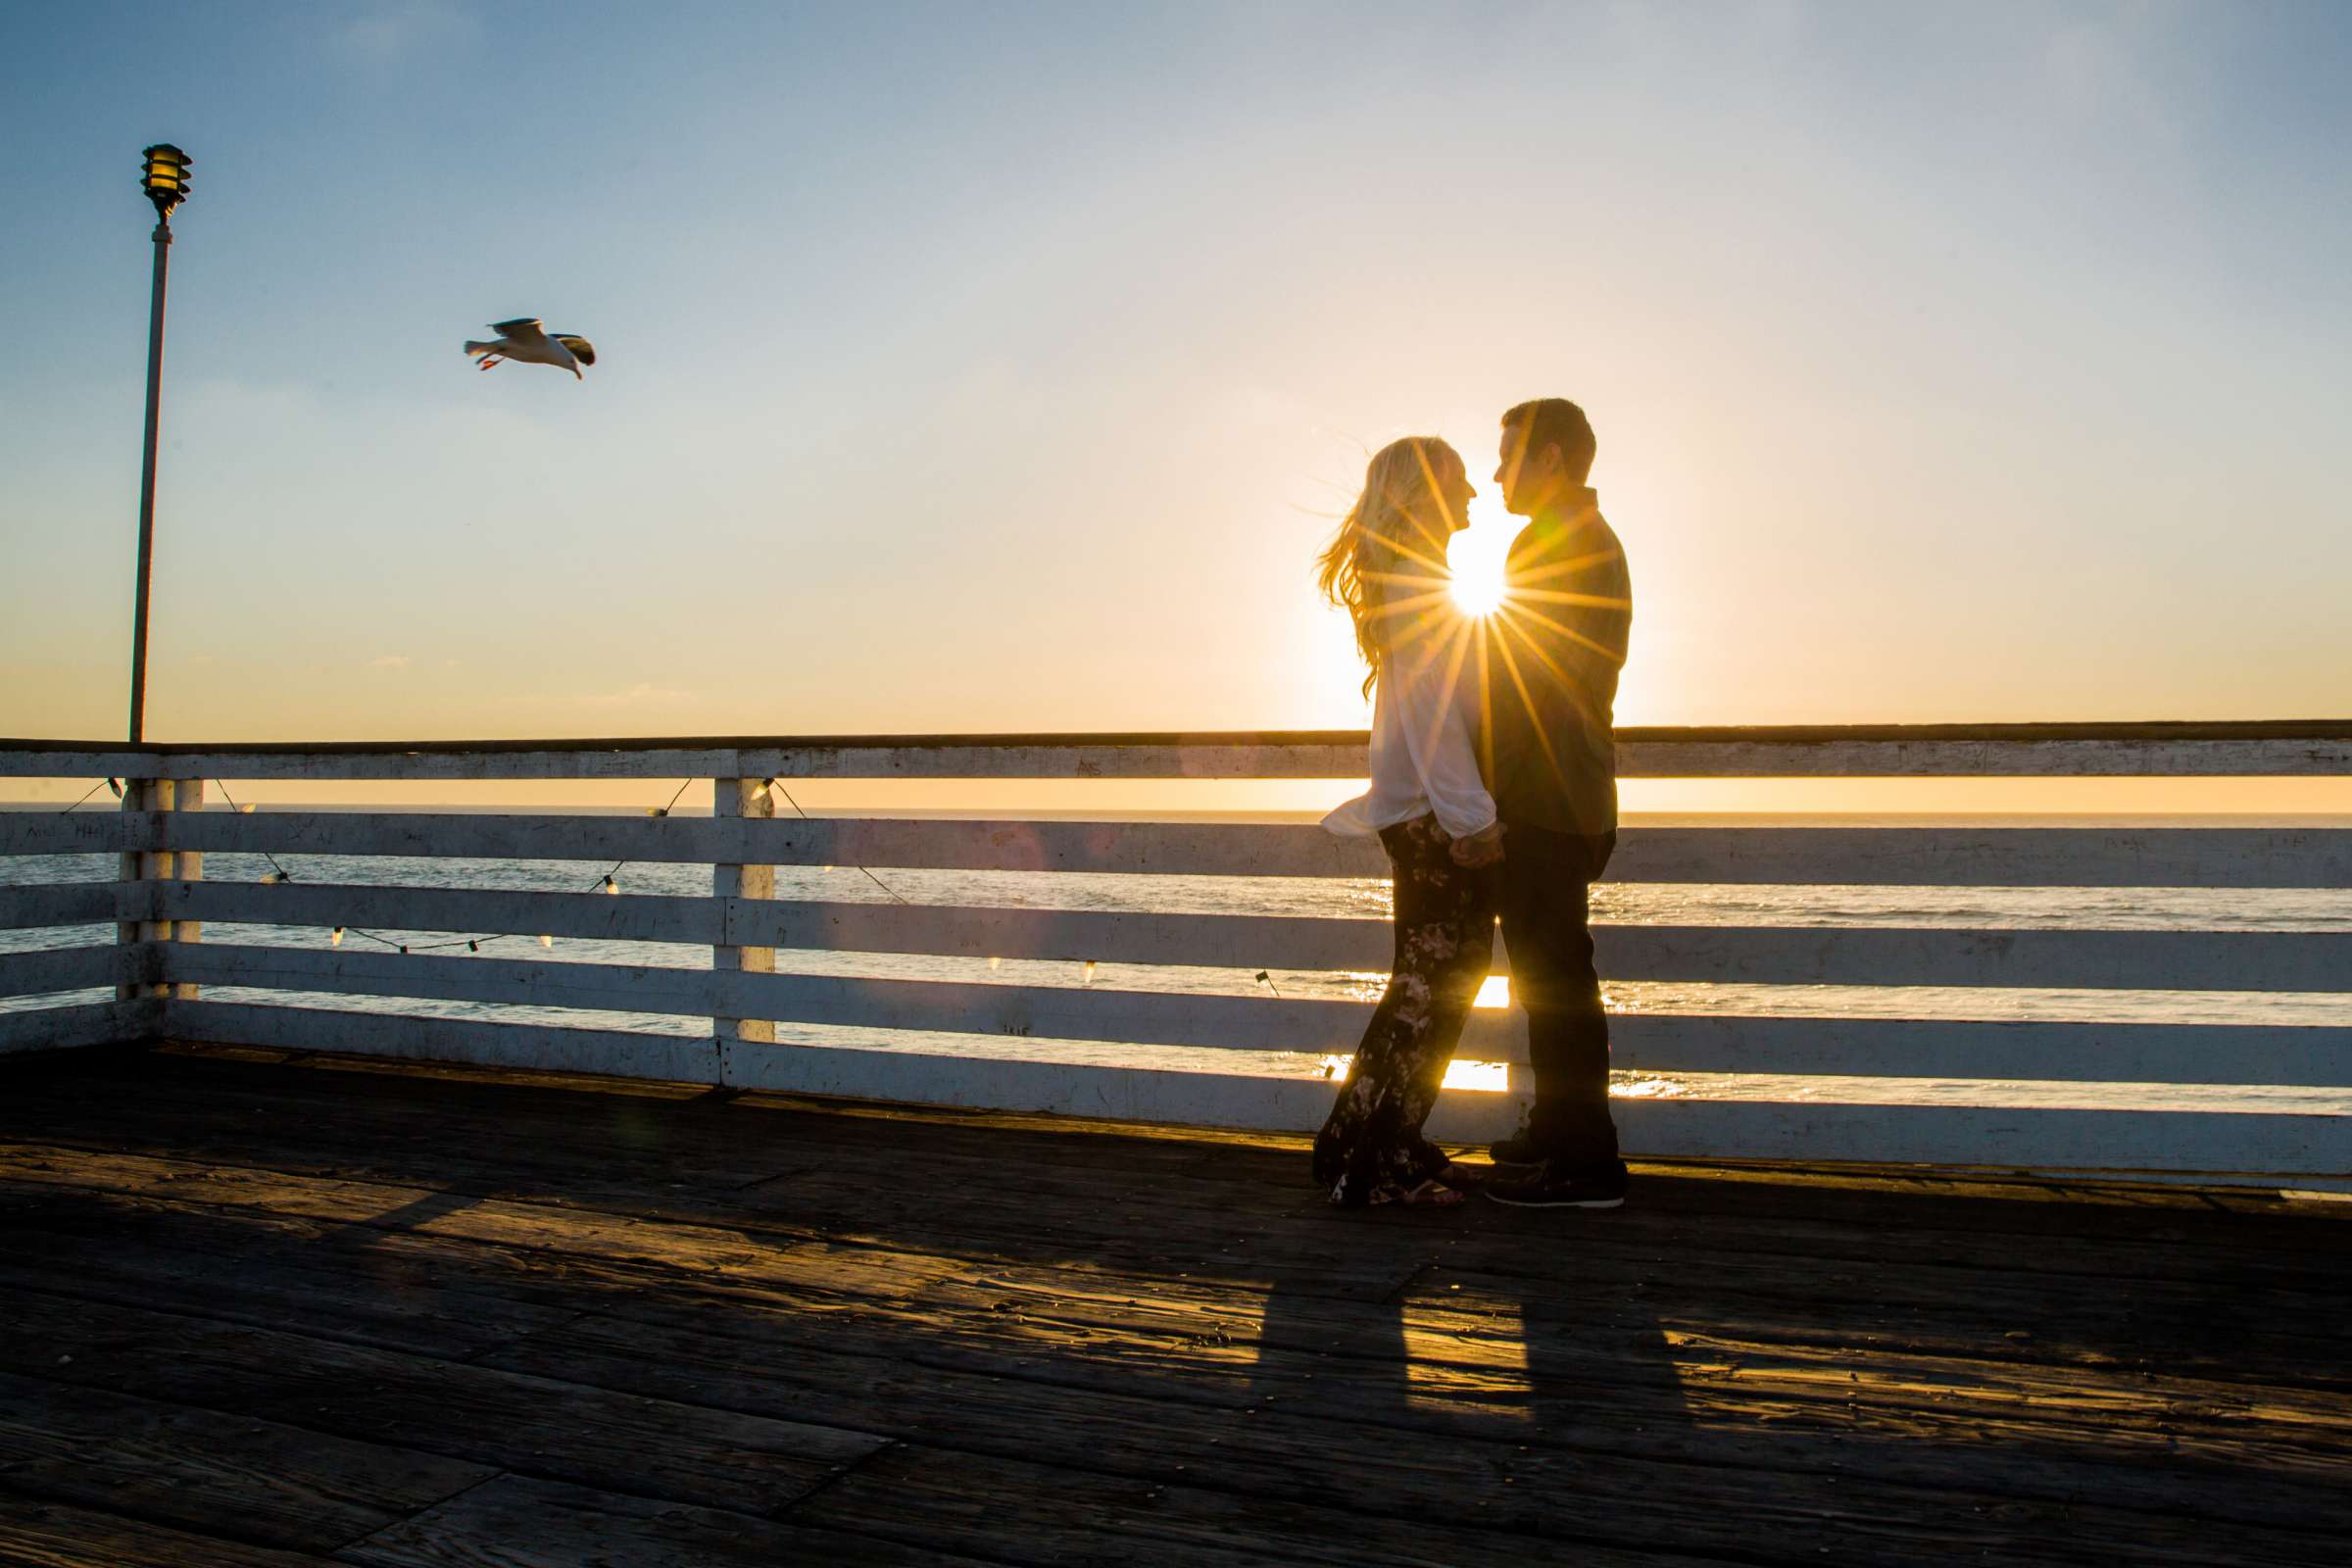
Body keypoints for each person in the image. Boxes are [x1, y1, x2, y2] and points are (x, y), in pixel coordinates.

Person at [1310, 436, 1505, 1207]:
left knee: (1425, 989)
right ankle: (1373, 1165)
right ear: (1424, 493)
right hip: (1436, 823)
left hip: (1424, 817)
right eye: (1457, 482)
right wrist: (1474, 820)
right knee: (1433, 991)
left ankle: (1365, 1145)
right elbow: (1434, 720)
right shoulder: (1420, 586)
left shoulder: (1414, 581)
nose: (1472, 495)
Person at [1477, 398, 1634, 1209]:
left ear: (1554, 459)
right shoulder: (1580, 538)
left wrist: (1481, 794)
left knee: (1558, 980)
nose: (1496, 472)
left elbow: (1521, 679)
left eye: (1509, 455)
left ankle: (1586, 1162)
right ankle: (1560, 1131)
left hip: (1544, 795)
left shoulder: (1551, 543)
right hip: (1567, 790)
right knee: (1550, 976)